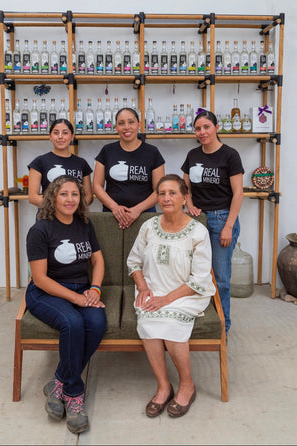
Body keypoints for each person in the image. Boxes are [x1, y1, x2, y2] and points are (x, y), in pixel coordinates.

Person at [127, 174, 215, 418]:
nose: (166, 198)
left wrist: (167, 299)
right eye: (162, 193)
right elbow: (133, 261)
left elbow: (199, 279)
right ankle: (164, 387)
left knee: (171, 323)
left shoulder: (198, 232)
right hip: (154, 288)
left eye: (173, 193)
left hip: (187, 293)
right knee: (148, 321)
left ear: (185, 197)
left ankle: (187, 385)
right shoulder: (148, 226)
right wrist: (143, 287)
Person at [25, 175, 107, 434]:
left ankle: (58, 381)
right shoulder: (40, 230)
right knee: (72, 322)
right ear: (53, 197)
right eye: (64, 194)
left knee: (96, 323)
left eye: (75, 194)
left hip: (81, 289)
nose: (70, 199)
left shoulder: (84, 223)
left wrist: (94, 289)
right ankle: (74, 396)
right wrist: (77, 299)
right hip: (45, 292)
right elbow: (39, 278)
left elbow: (98, 261)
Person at [181, 110, 244, 336]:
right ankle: (198, 319)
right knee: (194, 273)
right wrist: (189, 204)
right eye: (198, 128)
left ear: (216, 128)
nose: (202, 132)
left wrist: (228, 226)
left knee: (220, 278)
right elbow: (185, 188)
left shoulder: (230, 155)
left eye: (206, 127)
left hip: (221, 219)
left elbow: (238, 194)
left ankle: (222, 326)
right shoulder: (193, 155)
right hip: (198, 219)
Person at [93, 107, 165, 228]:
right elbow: (96, 186)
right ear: (116, 128)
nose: (126, 127)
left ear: (139, 125)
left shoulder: (152, 152)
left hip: (144, 215)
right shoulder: (107, 151)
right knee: (111, 247)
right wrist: (115, 208)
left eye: (131, 122)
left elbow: (159, 189)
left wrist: (137, 210)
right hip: (112, 215)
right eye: (121, 123)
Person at [28, 118, 93, 208]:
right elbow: (33, 197)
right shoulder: (39, 162)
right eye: (56, 133)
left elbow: (89, 196)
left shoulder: (82, 163)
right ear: (50, 136)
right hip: (48, 216)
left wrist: (73, 209)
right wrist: (59, 209)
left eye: (65, 133)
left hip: (75, 216)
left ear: (72, 136)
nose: (60, 136)